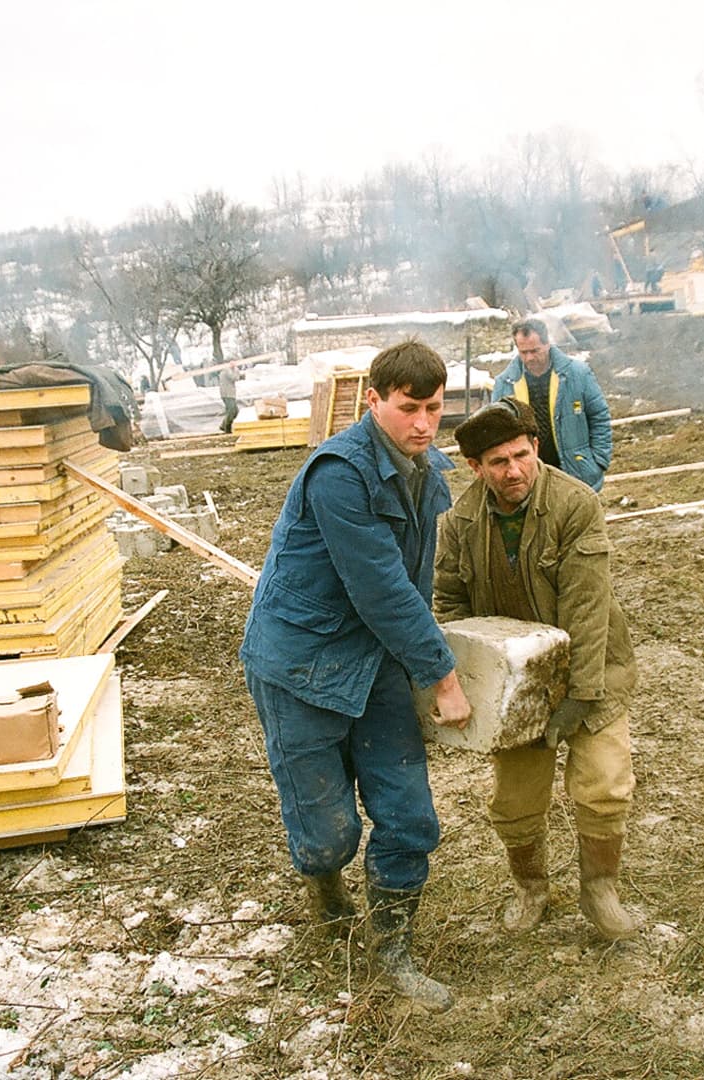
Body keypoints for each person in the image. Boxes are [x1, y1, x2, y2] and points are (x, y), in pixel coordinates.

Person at [240, 340, 472, 1012]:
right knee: (330, 833)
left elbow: (421, 580)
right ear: (373, 401)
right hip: (299, 665)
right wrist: (442, 675)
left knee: (408, 816)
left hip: (372, 663)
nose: (423, 424)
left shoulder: (430, 473)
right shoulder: (338, 474)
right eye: (408, 409)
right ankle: (324, 882)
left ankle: (391, 949)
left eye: (433, 408)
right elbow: (379, 587)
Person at [433, 398, 639, 941]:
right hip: (515, 683)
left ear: (537, 448)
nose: (514, 470)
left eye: (522, 455)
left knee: (604, 784)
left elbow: (588, 608)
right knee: (516, 801)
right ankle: (530, 887)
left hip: (590, 668)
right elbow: (450, 604)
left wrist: (580, 694)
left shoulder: (575, 505)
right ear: (476, 468)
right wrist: (472, 677)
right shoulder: (458, 522)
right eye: (498, 462)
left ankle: (600, 891)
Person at [491, 318, 612, 491]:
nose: (529, 357)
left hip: (576, 474)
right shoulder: (504, 384)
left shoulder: (578, 374)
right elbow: (497, 432)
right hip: (530, 477)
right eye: (523, 352)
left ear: (547, 344)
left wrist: (598, 461)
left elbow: (599, 417)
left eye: (535, 351)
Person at [218, 363, 239, 433]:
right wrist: (236, 370)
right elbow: (234, 378)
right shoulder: (227, 370)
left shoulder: (226, 370)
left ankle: (223, 425)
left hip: (229, 394)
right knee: (232, 411)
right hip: (228, 394)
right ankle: (227, 427)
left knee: (234, 411)